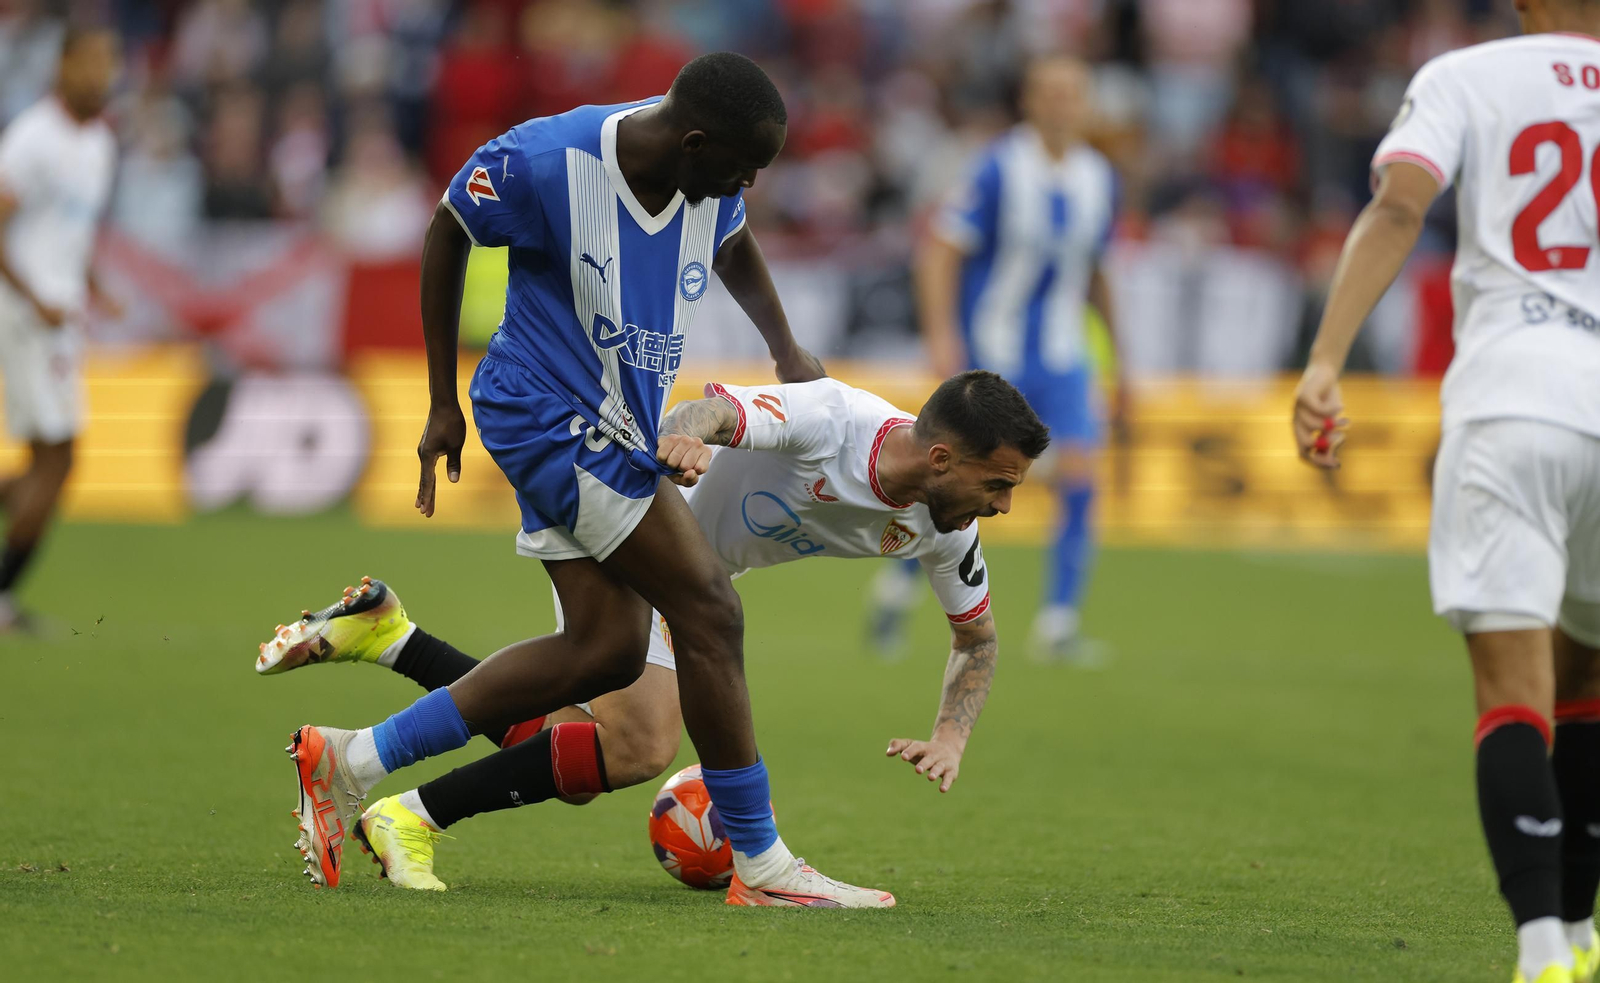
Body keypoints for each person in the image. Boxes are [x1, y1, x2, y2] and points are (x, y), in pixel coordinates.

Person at [279, 52, 896, 908]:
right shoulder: (545, 161)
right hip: (544, 416)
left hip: (618, 427)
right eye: (740, 167)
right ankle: (759, 862)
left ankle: (349, 761)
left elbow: (736, 242)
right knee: (710, 607)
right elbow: (448, 226)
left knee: (604, 653)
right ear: (691, 142)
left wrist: (786, 348)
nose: (749, 183)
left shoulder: (706, 182)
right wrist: (438, 399)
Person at [259, 371, 1048, 890]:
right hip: (629, 526)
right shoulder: (835, 420)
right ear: (943, 457)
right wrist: (687, 436)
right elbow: (712, 409)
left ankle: (392, 645)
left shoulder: (944, 526)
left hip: (689, 584)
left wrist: (951, 733)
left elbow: (977, 639)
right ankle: (400, 801)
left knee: (592, 735)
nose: (1004, 505)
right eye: (999, 484)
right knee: (639, 741)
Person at [1290, 5, 1600, 981]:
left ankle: (1542, 946)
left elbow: (1397, 205)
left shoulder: (1470, 74)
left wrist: (1326, 357)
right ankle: (1586, 936)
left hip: (1514, 395)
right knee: (1588, 677)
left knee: (1515, 690)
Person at [873, 55, 1127, 665]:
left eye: (1074, 93)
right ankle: (897, 587)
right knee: (953, 483)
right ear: (1030, 101)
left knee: (1082, 476)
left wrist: (1120, 361)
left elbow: (1095, 271)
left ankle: (1059, 621)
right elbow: (940, 249)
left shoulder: (1100, 177)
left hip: (1065, 355)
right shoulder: (996, 168)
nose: (1063, 104)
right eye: (1051, 93)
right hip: (996, 350)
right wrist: (942, 335)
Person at [0, 25, 120, 633]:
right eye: (92, 60)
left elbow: (68, 234)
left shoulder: (99, 142)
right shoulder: (32, 139)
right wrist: (32, 298)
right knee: (58, 460)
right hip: (26, 317)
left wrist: (92, 284)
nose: (103, 74)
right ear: (63, 65)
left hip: (59, 315)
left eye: (110, 62)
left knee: (49, 460)